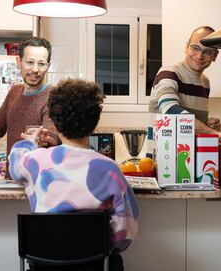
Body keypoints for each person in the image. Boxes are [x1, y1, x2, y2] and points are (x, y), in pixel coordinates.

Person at [9, 79, 139, 271]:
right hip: (96, 266)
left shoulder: (35, 160)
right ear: (94, 123)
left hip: (45, 267)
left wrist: (30, 142)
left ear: (54, 121)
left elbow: (14, 162)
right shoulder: (110, 169)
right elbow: (125, 234)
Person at [0, 37, 60, 177]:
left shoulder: (54, 96)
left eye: (42, 64)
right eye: (30, 62)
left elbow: (51, 137)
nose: (35, 69)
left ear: (48, 66)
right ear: (18, 61)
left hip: (38, 184)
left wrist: (46, 140)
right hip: (12, 179)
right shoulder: (14, 92)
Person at [149, 26, 221, 150]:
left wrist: (208, 126)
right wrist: (213, 133)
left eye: (207, 52)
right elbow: (171, 112)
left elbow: (188, 129)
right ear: (186, 47)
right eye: (195, 48)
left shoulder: (205, 82)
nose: (200, 56)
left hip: (190, 157)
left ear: (215, 55)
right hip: (165, 158)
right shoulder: (168, 73)